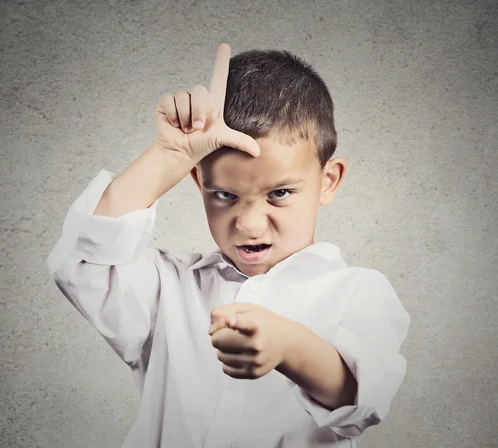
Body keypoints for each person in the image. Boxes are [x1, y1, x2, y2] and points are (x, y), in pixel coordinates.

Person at [47, 43, 410, 448]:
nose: (250, 225)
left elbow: (362, 401)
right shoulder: (166, 286)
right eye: (224, 195)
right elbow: (86, 261)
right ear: (198, 183)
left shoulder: (360, 293)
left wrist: (287, 345)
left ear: (328, 181)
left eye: (281, 193)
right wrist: (168, 155)